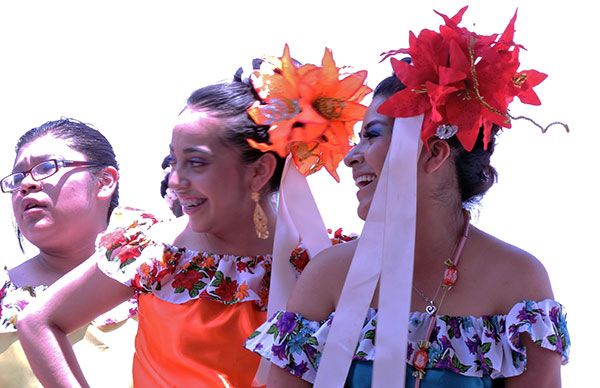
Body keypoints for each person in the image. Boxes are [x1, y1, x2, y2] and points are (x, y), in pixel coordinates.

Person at [245, 7, 570, 388]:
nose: (352, 156)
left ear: (434, 153)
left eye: (372, 135)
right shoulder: (327, 278)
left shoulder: (518, 281)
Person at [17, 47, 370, 387]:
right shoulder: (151, 252)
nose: (175, 180)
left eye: (196, 163)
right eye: (175, 160)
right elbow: (38, 322)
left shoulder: (325, 261)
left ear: (259, 171)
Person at [0, 118, 138, 387]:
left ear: (105, 181)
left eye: (46, 167)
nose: (26, 184)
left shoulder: (168, 279)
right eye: (18, 178)